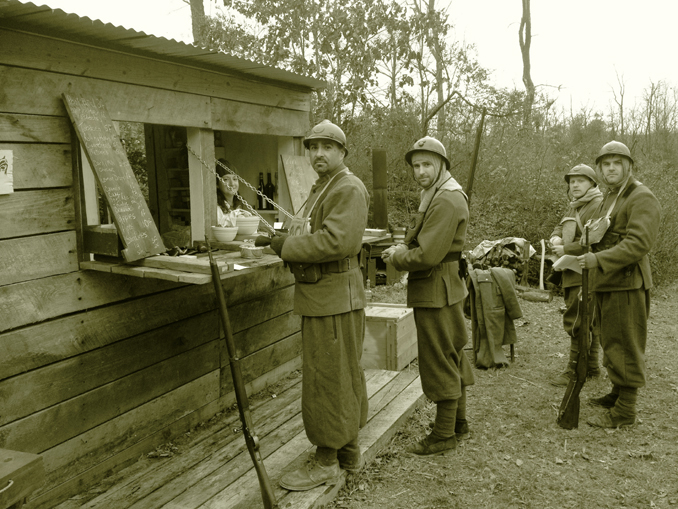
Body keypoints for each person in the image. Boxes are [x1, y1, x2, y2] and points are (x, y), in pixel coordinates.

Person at [266, 120, 370, 490]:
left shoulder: (348, 187)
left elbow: (335, 242)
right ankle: (348, 452)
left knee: (328, 378)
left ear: (342, 152)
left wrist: (286, 247)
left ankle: (327, 459)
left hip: (333, 297)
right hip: (324, 296)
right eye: (312, 147)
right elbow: (312, 230)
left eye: (327, 147)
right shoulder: (323, 187)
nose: (318, 153)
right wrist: (284, 235)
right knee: (340, 373)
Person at [381, 136, 474, 456]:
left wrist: (396, 256)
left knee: (438, 359)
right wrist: (405, 246)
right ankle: (458, 423)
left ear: (442, 165)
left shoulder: (446, 200)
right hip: (442, 286)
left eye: (426, 165)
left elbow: (428, 255)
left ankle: (444, 433)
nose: (420, 171)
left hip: (436, 287)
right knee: (451, 353)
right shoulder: (434, 193)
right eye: (416, 166)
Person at [577, 141, 661, 428]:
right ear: (600, 169)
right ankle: (617, 393)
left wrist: (598, 261)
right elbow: (600, 234)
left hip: (627, 283)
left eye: (617, 163)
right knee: (611, 340)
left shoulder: (641, 197)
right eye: (606, 164)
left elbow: (638, 244)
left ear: (628, 167)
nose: (611, 168)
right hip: (608, 282)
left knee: (626, 344)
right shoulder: (609, 197)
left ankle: (626, 410)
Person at [549, 164, 604, 387]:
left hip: (588, 271)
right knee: (585, 316)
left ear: (592, 183)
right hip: (572, 270)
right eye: (572, 181)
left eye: (580, 180)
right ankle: (592, 366)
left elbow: (597, 239)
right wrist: (555, 238)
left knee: (579, 319)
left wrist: (567, 249)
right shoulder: (574, 206)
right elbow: (559, 227)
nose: (575, 185)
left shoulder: (599, 205)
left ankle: (573, 369)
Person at [215, 159, 250, 226]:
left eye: (235, 179)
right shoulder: (216, 206)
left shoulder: (242, 203)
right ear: (217, 184)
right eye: (226, 179)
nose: (232, 184)